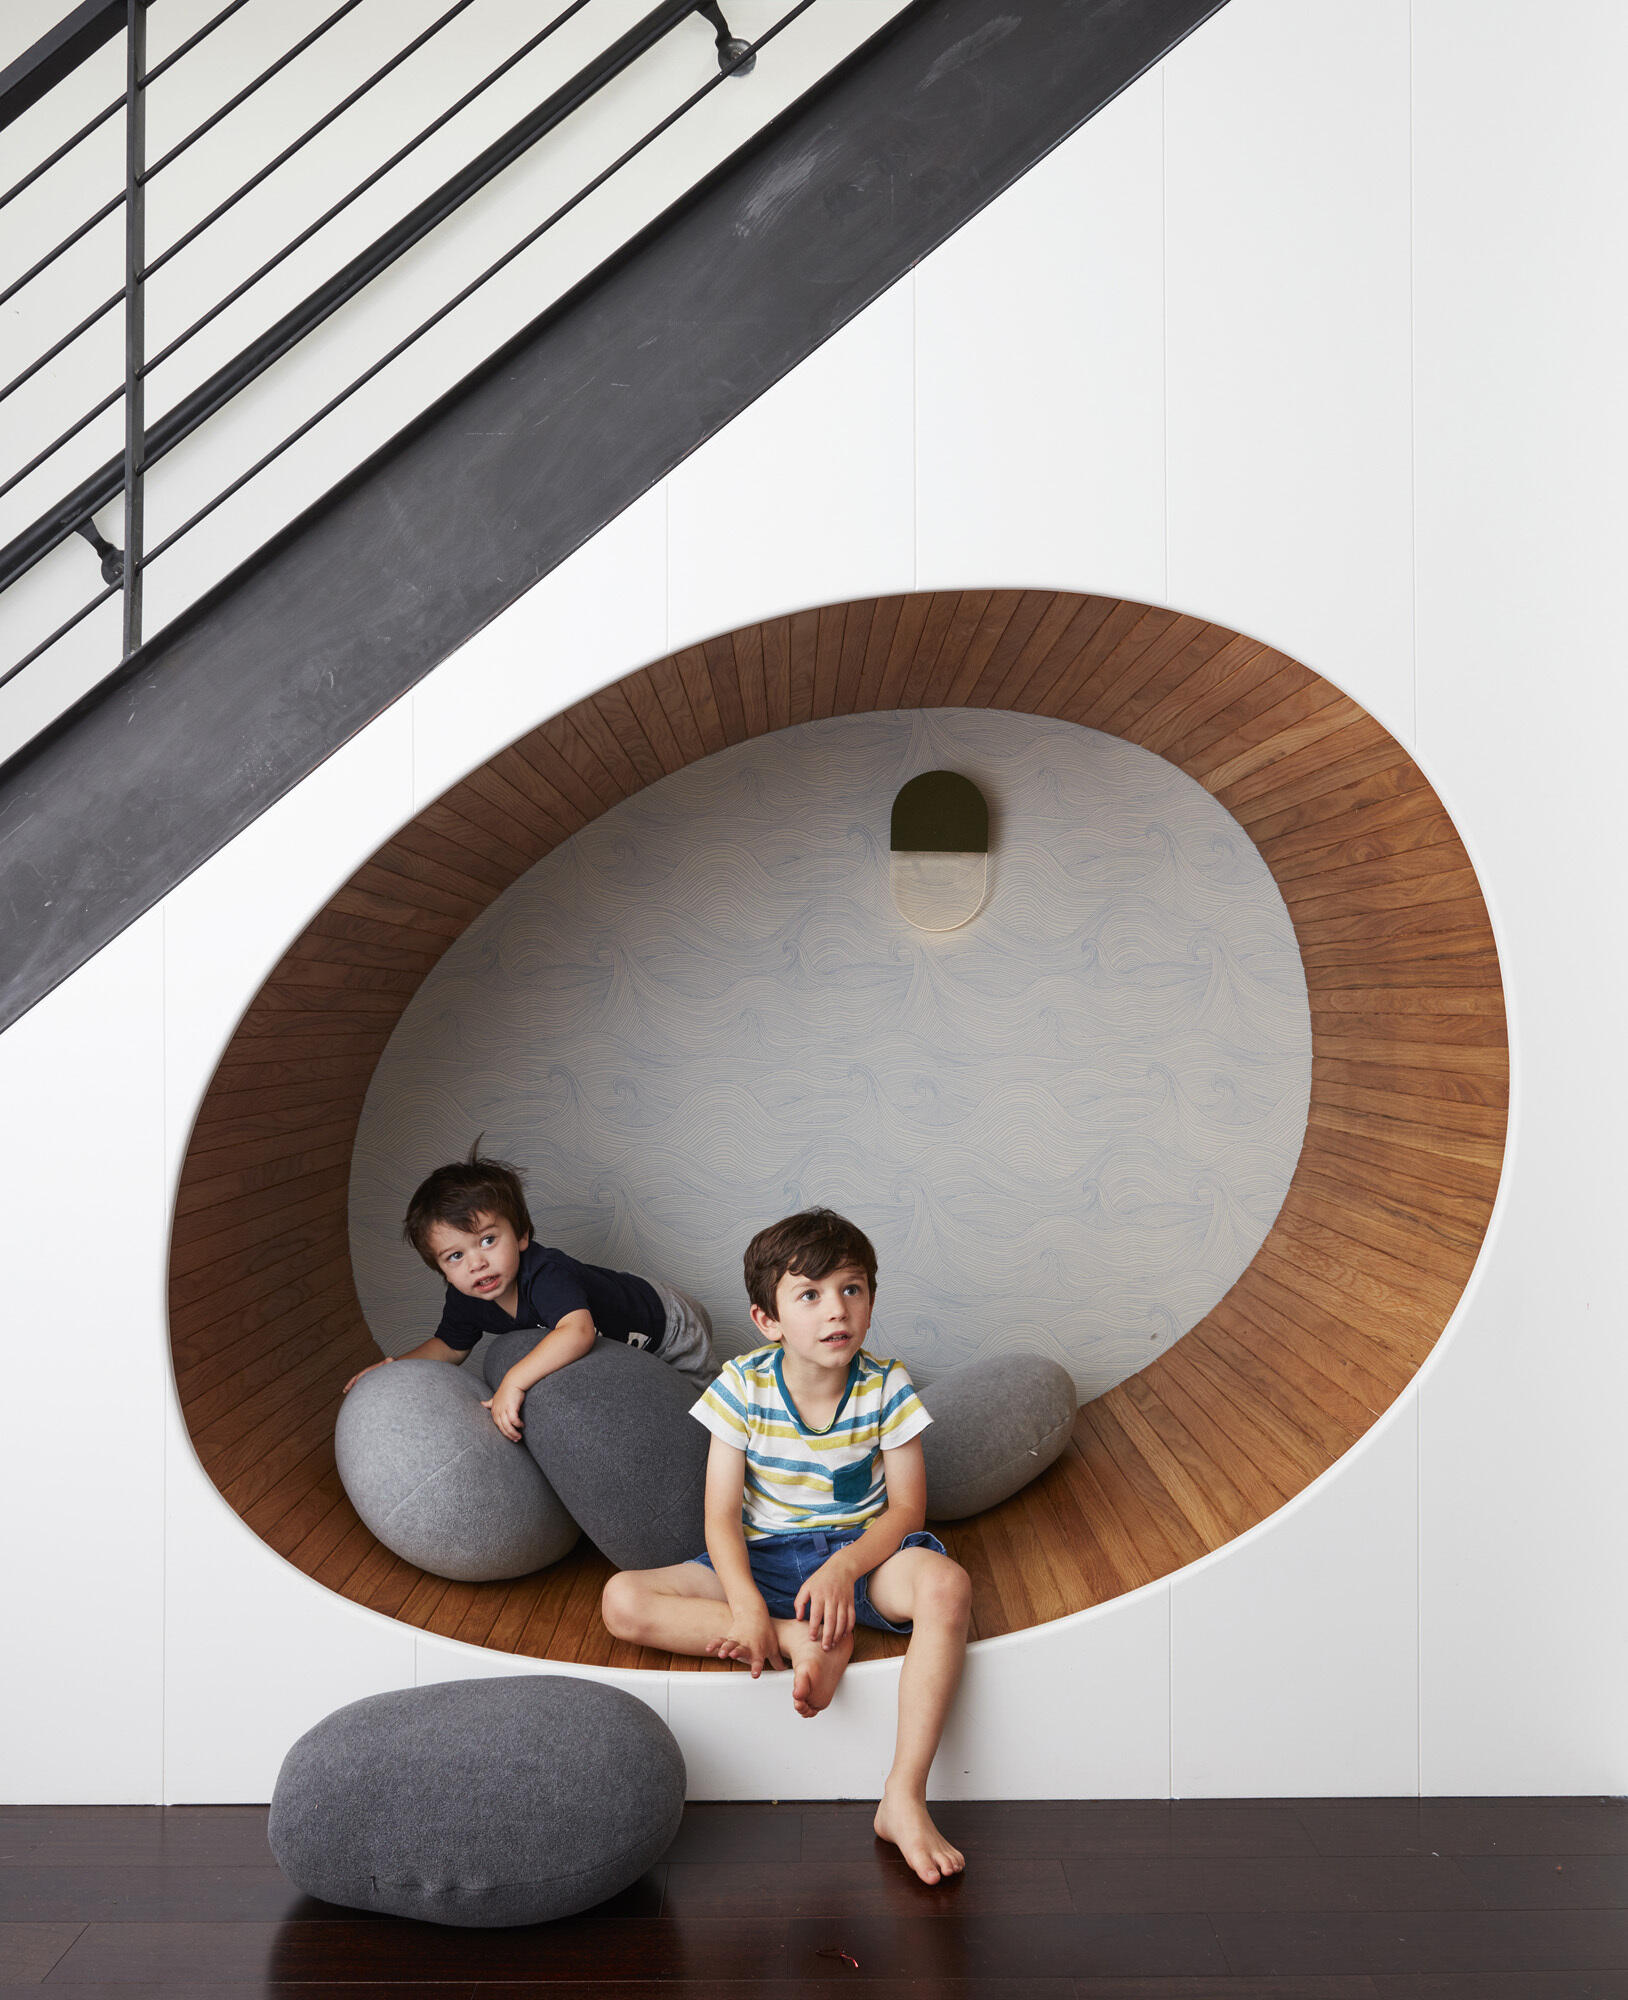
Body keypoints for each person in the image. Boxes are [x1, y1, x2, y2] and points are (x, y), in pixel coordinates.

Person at [601, 1207, 972, 1885]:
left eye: (852, 1289)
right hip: (764, 1558)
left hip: (861, 1557)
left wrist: (843, 1568)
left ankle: (903, 1796)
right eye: (810, 1295)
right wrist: (747, 1609)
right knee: (622, 1600)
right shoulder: (743, 1384)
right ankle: (798, 1638)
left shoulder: (886, 1384)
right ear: (767, 1320)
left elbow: (907, 1509)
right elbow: (720, 1518)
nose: (837, 1309)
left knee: (947, 1585)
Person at [341, 1149, 716, 1436]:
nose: (476, 1263)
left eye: (487, 1240)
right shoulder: (466, 1298)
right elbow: (448, 1347)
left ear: (521, 1235)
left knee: (714, 1419)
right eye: (455, 1256)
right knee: (663, 1417)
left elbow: (577, 1331)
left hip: (665, 1323)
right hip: (626, 1347)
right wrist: (396, 1367)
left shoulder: (545, 1272)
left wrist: (514, 1381)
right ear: (440, 1268)